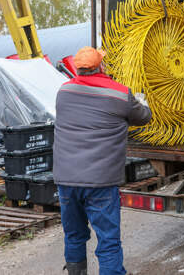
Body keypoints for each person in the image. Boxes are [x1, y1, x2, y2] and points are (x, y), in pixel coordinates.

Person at [53, 46, 152, 275]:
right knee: (108, 242)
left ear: (78, 69)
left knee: (74, 236)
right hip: (100, 183)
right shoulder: (120, 94)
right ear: (101, 66)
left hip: (67, 180)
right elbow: (144, 117)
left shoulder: (63, 92)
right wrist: (140, 101)